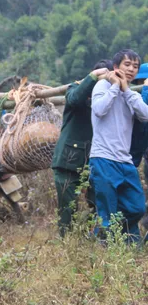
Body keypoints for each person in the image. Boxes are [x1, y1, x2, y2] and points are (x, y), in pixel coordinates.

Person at [89, 49, 148, 241]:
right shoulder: (102, 86)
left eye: (135, 66)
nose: (131, 69)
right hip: (103, 158)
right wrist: (115, 87)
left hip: (125, 161)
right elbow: (99, 109)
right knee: (107, 210)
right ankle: (107, 249)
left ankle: (109, 234)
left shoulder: (131, 94)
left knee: (137, 207)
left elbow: (145, 114)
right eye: (127, 65)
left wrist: (125, 90)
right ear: (115, 67)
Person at [52, 60, 113, 237]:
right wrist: (93, 77)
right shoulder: (77, 88)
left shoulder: (111, 95)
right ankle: (67, 244)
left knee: (98, 203)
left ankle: (90, 237)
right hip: (68, 159)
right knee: (67, 208)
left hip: (96, 160)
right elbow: (75, 99)